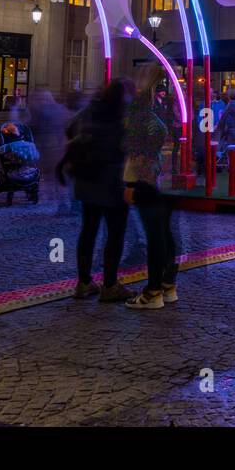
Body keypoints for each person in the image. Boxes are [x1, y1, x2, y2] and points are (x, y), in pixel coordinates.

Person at [59, 79, 133, 304]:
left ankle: (83, 282)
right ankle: (110, 285)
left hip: (87, 179)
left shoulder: (90, 110)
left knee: (88, 230)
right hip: (113, 182)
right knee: (115, 234)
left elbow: (69, 128)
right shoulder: (123, 117)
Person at [123, 69, 180, 310]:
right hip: (163, 182)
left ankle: (153, 291)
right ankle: (168, 285)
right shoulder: (158, 120)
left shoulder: (138, 122)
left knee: (155, 237)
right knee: (166, 235)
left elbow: (138, 157)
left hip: (146, 183)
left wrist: (131, 184)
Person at [29, 89, 71, 207]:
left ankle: (57, 199)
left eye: (41, 98)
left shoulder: (41, 111)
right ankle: (56, 198)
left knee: (53, 175)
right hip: (55, 147)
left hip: (50, 148)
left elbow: (34, 127)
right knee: (55, 175)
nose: (40, 101)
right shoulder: (60, 109)